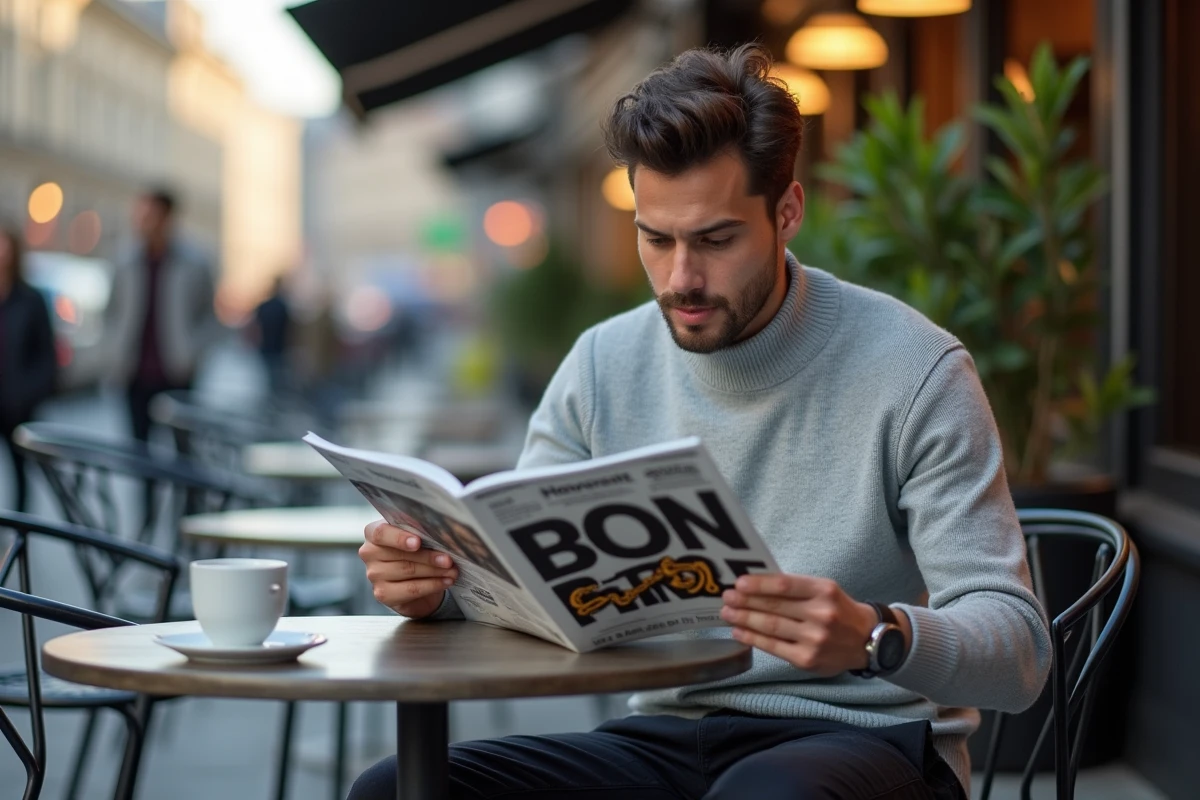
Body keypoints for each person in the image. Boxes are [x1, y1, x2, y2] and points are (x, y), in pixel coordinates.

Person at [351, 45, 1051, 800]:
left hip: (865, 740)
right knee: (397, 788)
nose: (682, 278)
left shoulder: (916, 369)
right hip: (662, 737)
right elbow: (530, 583)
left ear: (787, 213)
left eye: (716, 240)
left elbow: (1019, 652)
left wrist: (878, 635)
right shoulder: (601, 364)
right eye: (656, 239)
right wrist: (440, 586)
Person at [106, 188, 220, 442]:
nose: (141, 221)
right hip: (133, 373)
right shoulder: (125, 262)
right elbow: (111, 312)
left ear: (166, 218)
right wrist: (114, 352)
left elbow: (210, 318)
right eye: (139, 214)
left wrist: (193, 355)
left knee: (183, 450)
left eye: (149, 215)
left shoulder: (195, 262)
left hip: (177, 372)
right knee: (139, 449)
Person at [0, 226, 57, 511]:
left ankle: (18, 535)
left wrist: (28, 394)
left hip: (17, 405)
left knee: (21, 474)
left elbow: (47, 357)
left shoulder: (30, 300)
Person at [251, 274, 292, 396]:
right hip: (276, 348)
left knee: (265, 377)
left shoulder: (265, 306)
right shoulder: (283, 306)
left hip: (266, 347)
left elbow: (255, 327)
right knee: (273, 378)